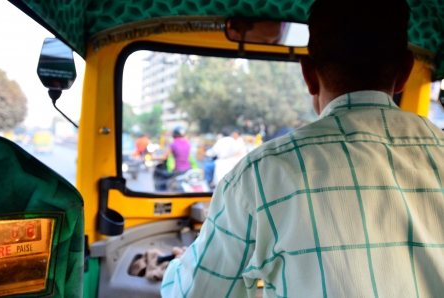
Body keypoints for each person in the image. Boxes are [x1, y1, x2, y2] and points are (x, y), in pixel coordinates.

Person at [161, 0, 444, 297]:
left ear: (308, 74)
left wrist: (177, 268)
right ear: (405, 72)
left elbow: (199, 292)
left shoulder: (259, 175)